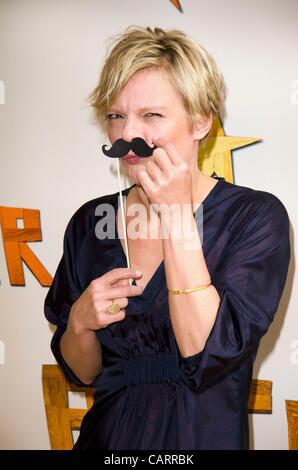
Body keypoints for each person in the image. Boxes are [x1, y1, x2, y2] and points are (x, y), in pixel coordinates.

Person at [44, 26, 290, 450]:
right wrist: (81, 322)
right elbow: (83, 373)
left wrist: (176, 214)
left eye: (151, 115)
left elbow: (204, 359)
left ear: (200, 121)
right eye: (116, 116)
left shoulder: (254, 217)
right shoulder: (91, 222)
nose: (126, 135)